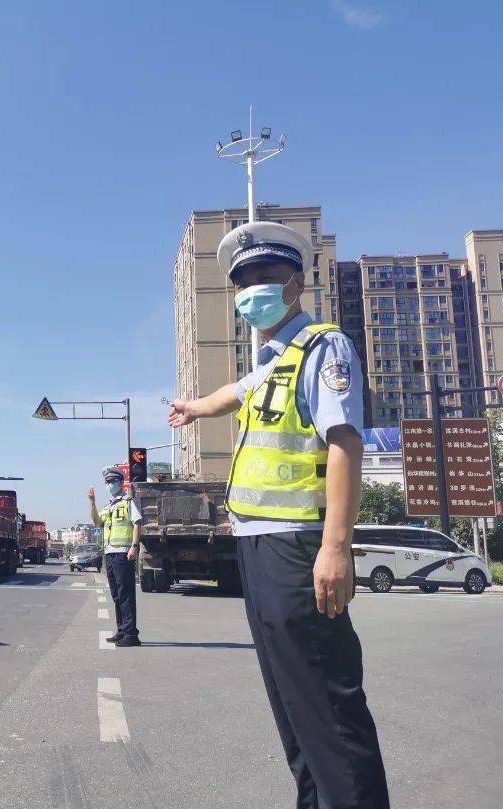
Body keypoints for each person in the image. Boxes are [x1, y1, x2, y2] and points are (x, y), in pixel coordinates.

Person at [168, 221, 389, 809]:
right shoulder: (272, 362)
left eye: (265, 275)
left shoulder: (323, 346)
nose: (251, 289)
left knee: (329, 710)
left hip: (297, 546)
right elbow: (229, 396)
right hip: (256, 547)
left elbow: (344, 442)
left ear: (295, 283)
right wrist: (192, 408)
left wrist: (335, 548)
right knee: (293, 708)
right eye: (241, 280)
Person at [87, 466, 141, 647]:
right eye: (107, 482)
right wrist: (92, 502)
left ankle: (131, 634)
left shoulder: (128, 502)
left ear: (119, 482)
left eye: (111, 482)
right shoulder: (108, 506)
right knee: (116, 595)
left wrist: (134, 546)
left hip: (123, 553)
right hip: (109, 554)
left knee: (126, 594)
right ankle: (122, 630)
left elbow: (137, 523)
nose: (109, 485)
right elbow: (97, 522)